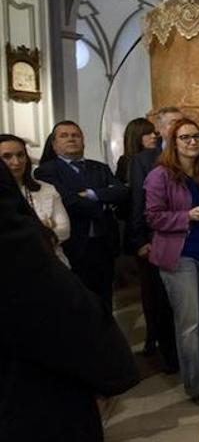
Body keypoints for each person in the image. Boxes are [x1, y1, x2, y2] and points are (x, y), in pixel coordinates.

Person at [0, 161, 140, 442]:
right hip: (30, 401)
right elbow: (52, 304)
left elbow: (118, 192)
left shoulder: (92, 170)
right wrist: (111, 370)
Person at [144, 118, 199, 406]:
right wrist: (185, 217)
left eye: (197, 137)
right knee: (188, 323)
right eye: (185, 137)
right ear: (173, 142)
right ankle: (196, 384)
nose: (192, 142)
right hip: (178, 255)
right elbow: (152, 216)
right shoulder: (159, 175)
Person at [35, 121, 128, 310]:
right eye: (64, 135)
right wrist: (103, 204)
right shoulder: (46, 171)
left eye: (75, 135)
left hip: (104, 243)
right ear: (54, 144)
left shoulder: (100, 168)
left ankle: (107, 338)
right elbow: (68, 200)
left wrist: (91, 194)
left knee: (104, 300)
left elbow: (121, 192)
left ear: (83, 141)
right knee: (78, 303)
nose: (71, 138)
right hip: (73, 246)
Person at [130, 106, 184, 371]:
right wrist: (140, 240)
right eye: (172, 122)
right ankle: (172, 357)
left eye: (180, 122)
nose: (177, 127)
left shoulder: (193, 153)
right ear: (160, 129)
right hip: (158, 239)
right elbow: (138, 202)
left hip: (189, 239)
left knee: (187, 303)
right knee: (162, 302)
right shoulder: (144, 160)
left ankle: (192, 353)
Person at [115, 118, 159, 353]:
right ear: (136, 137)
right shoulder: (129, 162)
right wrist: (139, 238)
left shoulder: (159, 158)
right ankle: (152, 336)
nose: (154, 137)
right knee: (149, 289)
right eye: (148, 134)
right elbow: (132, 201)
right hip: (141, 230)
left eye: (155, 133)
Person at [0, 134, 71, 267]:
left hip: (52, 265)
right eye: (7, 156)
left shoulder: (46, 189)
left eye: (21, 155)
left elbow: (65, 231)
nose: (16, 162)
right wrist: (43, 228)